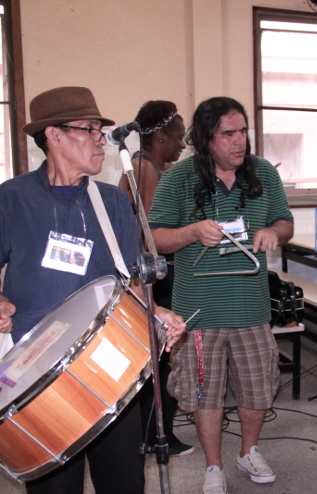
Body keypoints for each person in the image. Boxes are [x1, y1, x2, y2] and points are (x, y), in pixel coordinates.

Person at [0, 86, 186, 494]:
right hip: (36, 368)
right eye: (89, 130)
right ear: (54, 135)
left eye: (101, 130)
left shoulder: (111, 204)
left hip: (108, 362)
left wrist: (155, 312)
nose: (100, 139)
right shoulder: (10, 199)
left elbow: (132, 279)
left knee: (124, 487)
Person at [148, 96, 294, 494]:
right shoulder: (177, 179)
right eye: (228, 133)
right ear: (205, 139)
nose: (239, 141)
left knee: (257, 386)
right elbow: (155, 235)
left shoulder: (263, 173)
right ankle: (214, 465)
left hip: (250, 306)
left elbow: (285, 221)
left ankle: (248, 452)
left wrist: (273, 233)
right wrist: (193, 231)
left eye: (243, 131)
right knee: (203, 392)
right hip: (198, 308)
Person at [118, 100, 193, 457]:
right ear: (160, 137)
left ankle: (152, 430)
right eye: (177, 138)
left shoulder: (151, 167)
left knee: (162, 356)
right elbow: (151, 233)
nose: (181, 145)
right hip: (152, 275)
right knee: (159, 356)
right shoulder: (143, 168)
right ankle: (153, 433)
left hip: (157, 272)